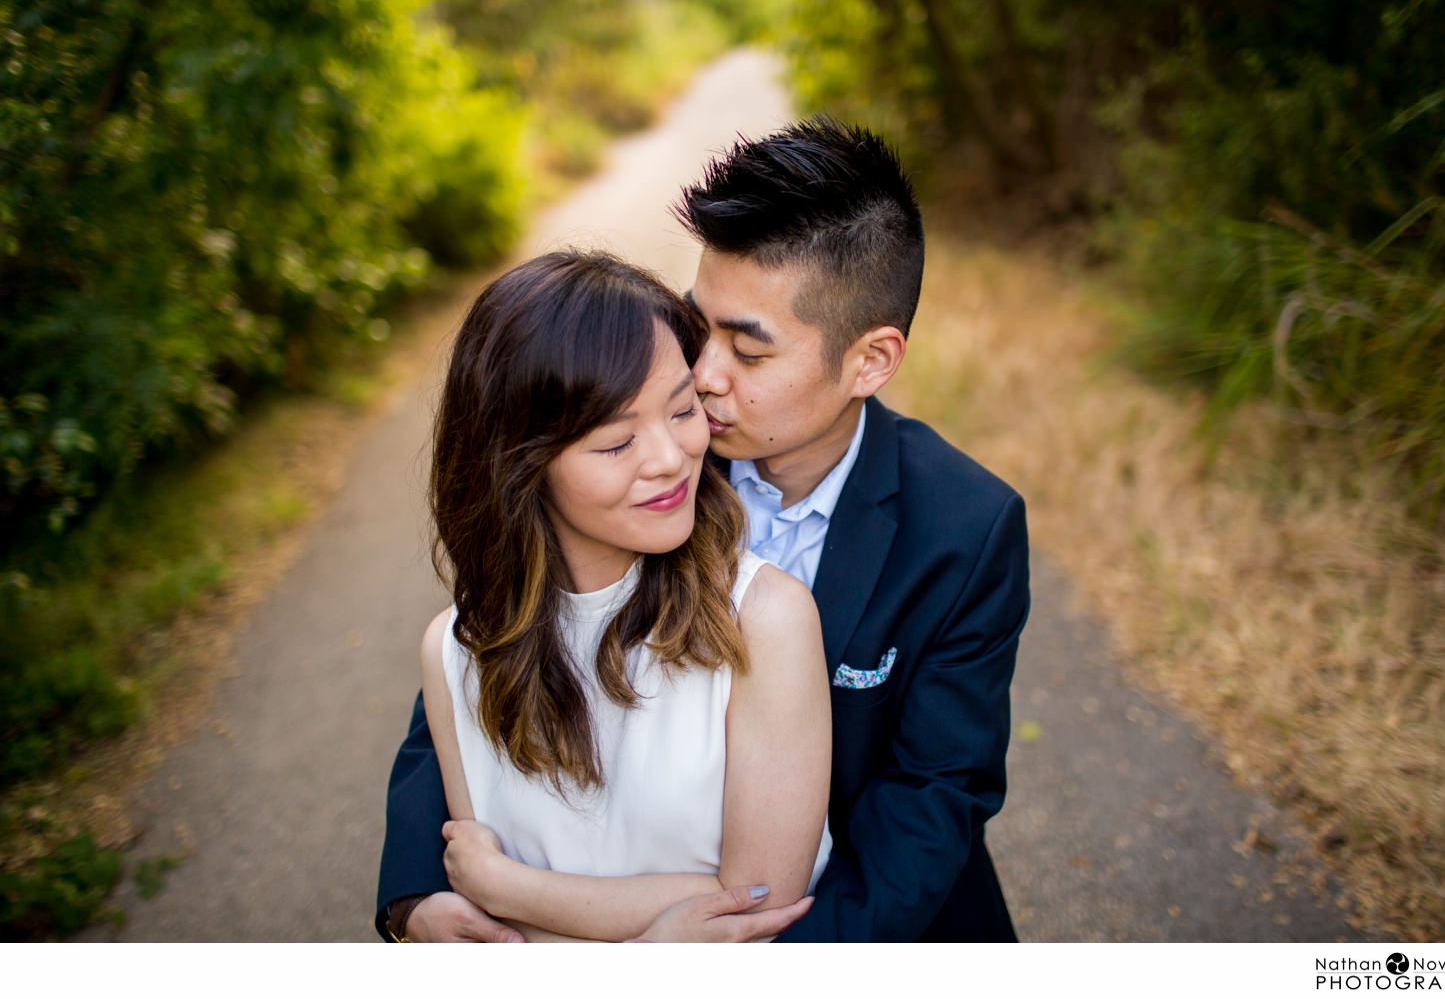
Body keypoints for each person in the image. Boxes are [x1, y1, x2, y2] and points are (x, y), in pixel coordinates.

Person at [376, 118, 1029, 942]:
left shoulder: (966, 528)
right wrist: (414, 895)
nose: (702, 374)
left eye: (748, 353)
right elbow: (492, 659)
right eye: (700, 323)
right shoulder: (655, 452)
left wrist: (746, 961)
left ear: (869, 361)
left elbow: (934, 792)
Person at [407, 250, 832, 943]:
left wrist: (505, 884)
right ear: (520, 466)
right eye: (615, 443)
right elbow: (491, 939)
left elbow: (758, 903)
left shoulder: (764, 620)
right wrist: (659, 932)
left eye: (683, 410)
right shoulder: (453, 651)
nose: (668, 458)